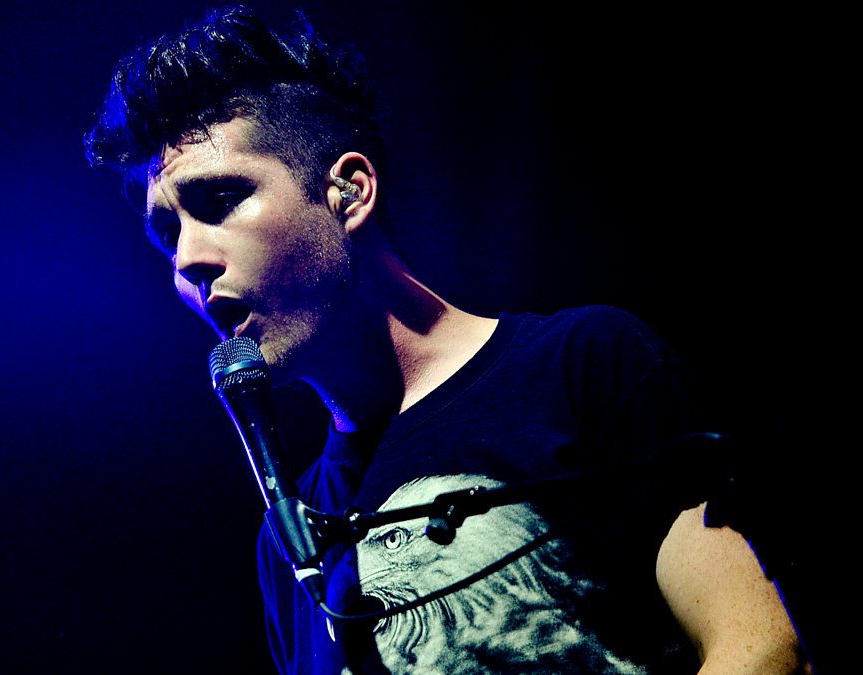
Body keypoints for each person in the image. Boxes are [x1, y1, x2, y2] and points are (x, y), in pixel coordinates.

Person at [83, 5, 810, 673]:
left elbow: (761, 648)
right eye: (167, 232)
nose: (187, 259)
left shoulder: (583, 365)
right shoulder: (289, 540)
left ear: (348, 191)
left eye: (221, 200)